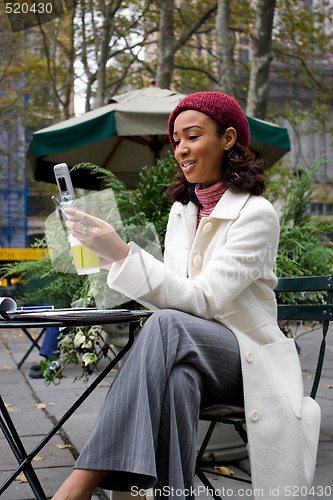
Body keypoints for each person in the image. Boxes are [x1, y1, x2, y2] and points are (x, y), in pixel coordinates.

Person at [51, 92, 320, 500]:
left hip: (248, 360)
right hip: (191, 352)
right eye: (176, 140)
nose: (180, 149)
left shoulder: (257, 214)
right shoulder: (183, 212)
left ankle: (82, 481)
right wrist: (109, 261)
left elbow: (205, 300)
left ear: (228, 138)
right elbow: (171, 298)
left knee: (167, 325)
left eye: (191, 136)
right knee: (178, 381)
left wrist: (125, 253)